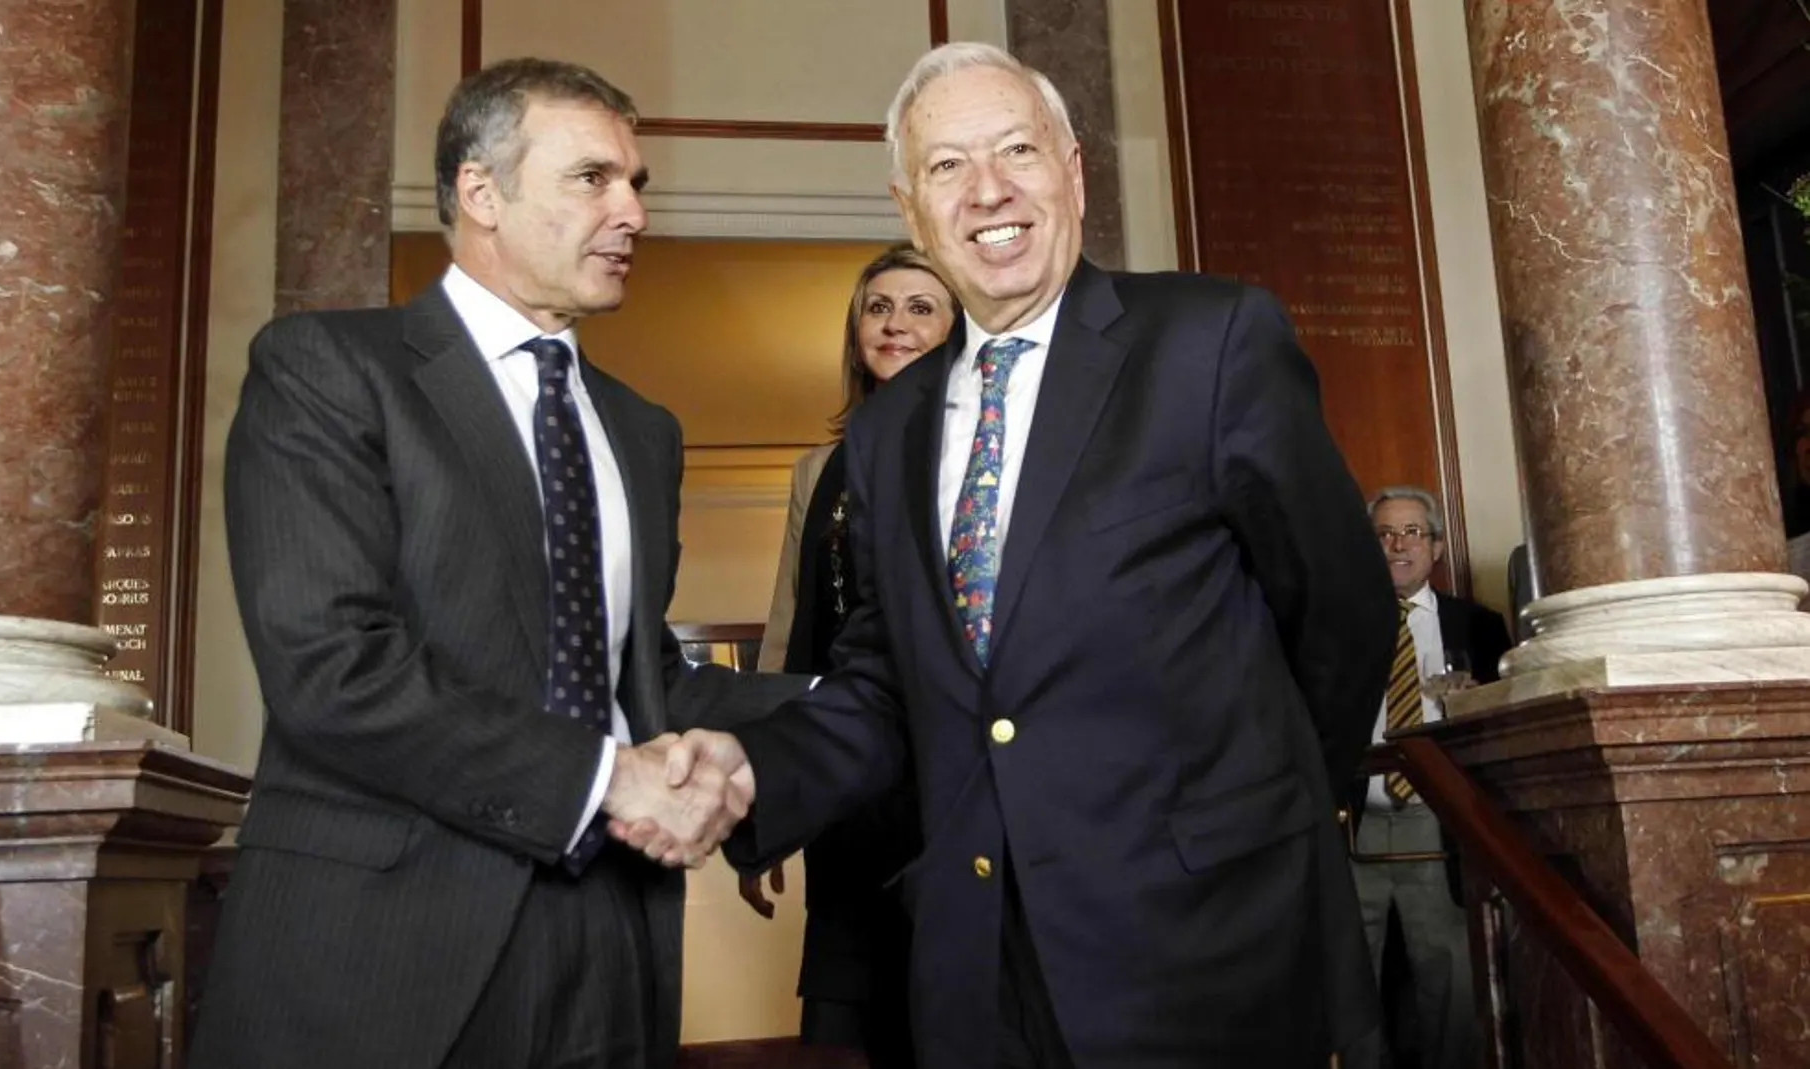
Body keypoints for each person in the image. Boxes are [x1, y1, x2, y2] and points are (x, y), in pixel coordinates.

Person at [630, 41, 1398, 1069]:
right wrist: (746, 768)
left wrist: (1282, 820)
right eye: (947, 166)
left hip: (1209, 950)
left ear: (1072, 171)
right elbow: (885, 684)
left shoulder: (1208, 343)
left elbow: (1337, 609)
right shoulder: (885, 431)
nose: (988, 190)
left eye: (1015, 151)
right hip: (976, 973)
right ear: (911, 209)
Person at [188, 58, 801, 1069]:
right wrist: (609, 779)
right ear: (482, 192)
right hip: (387, 942)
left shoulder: (642, 432)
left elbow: (641, 675)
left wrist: (848, 701)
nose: (633, 213)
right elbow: (332, 669)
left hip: (612, 927)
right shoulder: (328, 370)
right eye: (593, 178)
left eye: (636, 184)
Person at [747, 242, 960, 1066]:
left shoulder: (988, 453)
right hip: (850, 781)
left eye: (919, 306)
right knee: (858, 1021)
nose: (896, 323)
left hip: (954, 782)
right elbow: (788, 629)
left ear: (954, 328)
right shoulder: (815, 469)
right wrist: (770, 793)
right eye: (879, 307)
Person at [1347, 487, 1511, 1069]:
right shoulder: (1335, 623)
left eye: (1412, 532)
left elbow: (1507, 728)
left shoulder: (1481, 627)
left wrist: (1474, 709)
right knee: (1348, 988)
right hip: (1352, 828)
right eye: (1384, 534)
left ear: (1437, 547)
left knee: (1450, 985)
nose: (1397, 545)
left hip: (1436, 824)